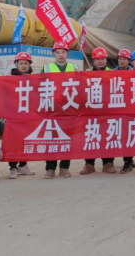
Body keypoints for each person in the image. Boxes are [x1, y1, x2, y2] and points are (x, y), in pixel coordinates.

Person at [42, 41, 77, 179]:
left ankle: (64, 168)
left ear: (67, 53)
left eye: (63, 52)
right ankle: (50, 168)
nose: (61, 55)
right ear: (53, 54)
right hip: (52, 109)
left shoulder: (74, 68)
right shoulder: (47, 69)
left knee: (66, 139)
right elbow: (38, 86)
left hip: (69, 109)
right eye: (58, 52)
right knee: (51, 139)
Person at [81, 47, 116, 175]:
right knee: (91, 136)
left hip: (108, 111)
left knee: (108, 137)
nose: (100, 61)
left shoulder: (113, 73)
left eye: (102, 58)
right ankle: (89, 164)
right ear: (93, 60)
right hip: (92, 111)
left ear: (106, 59)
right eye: (97, 59)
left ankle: (108, 163)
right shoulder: (87, 73)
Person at [7, 52, 35, 178]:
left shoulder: (34, 78)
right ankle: (13, 167)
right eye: (21, 63)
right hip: (13, 115)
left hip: (28, 115)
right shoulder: (9, 78)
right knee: (13, 142)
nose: (23, 66)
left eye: (26, 63)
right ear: (16, 64)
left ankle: (23, 165)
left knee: (26, 141)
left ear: (29, 65)